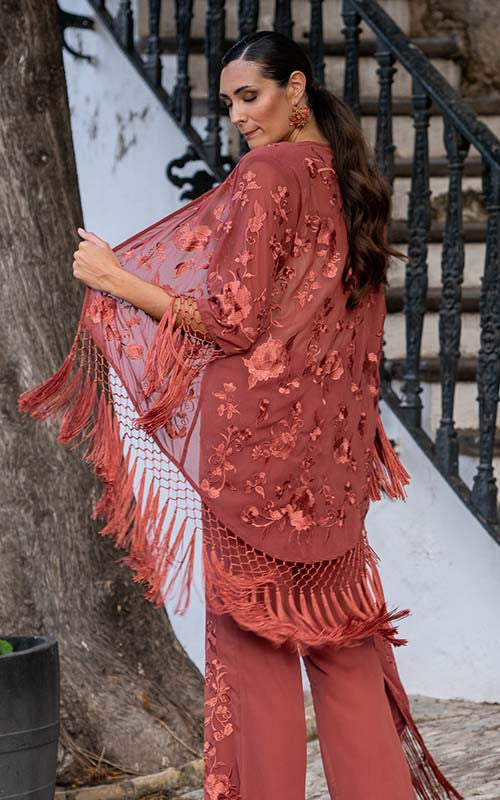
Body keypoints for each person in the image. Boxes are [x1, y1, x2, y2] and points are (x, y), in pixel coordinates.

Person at [18, 30, 463, 800]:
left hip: (254, 464)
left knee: (255, 670)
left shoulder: (267, 174)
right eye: (229, 104)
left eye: (249, 97)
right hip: (330, 460)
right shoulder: (349, 182)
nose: (238, 118)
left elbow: (233, 320)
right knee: (346, 657)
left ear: (296, 90)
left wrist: (117, 280)